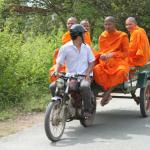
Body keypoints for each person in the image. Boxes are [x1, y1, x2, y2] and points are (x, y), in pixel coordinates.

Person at [50, 24, 95, 117]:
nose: (85, 35)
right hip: (70, 76)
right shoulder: (65, 48)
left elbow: (92, 62)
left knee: (84, 87)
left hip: (84, 76)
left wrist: (87, 74)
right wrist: (56, 71)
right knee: (53, 86)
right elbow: (59, 62)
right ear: (78, 36)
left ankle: (88, 109)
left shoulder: (86, 47)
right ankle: (61, 105)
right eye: (83, 34)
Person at [93, 16, 129, 106]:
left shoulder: (122, 36)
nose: (107, 26)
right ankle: (107, 92)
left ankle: (107, 93)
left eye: (109, 24)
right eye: (105, 24)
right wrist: (102, 55)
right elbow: (101, 50)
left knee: (122, 72)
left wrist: (113, 54)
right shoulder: (102, 36)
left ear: (114, 24)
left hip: (118, 61)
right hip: (105, 62)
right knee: (96, 70)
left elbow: (126, 53)